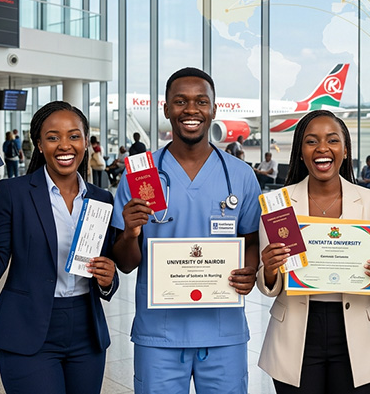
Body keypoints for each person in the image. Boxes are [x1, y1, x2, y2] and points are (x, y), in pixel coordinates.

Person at [111, 68, 261, 393]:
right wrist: (130, 233)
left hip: (223, 333)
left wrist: (250, 269)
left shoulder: (241, 175)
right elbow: (124, 262)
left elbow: (251, 239)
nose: (191, 110)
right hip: (159, 335)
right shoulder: (142, 174)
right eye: (180, 101)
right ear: (166, 109)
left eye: (200, 102)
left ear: (214, 110)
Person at [0, 101, 119, 393]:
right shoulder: (15, 192)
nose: (64, 145)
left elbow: (106, 268)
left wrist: (109, 279)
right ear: (39, 144)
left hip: (87, 333)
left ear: (86, 141)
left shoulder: (101, 199)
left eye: (74, 136)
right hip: (28, 331)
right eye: (52, 137)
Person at [257, 110, 370, 394]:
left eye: (332, 140)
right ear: (299, 152)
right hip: (295, 330)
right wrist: (270, 270)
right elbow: (268, 284)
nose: (322, 148)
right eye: (311, 141)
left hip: (356, 329)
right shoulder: (277, 204)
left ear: (345, 151)